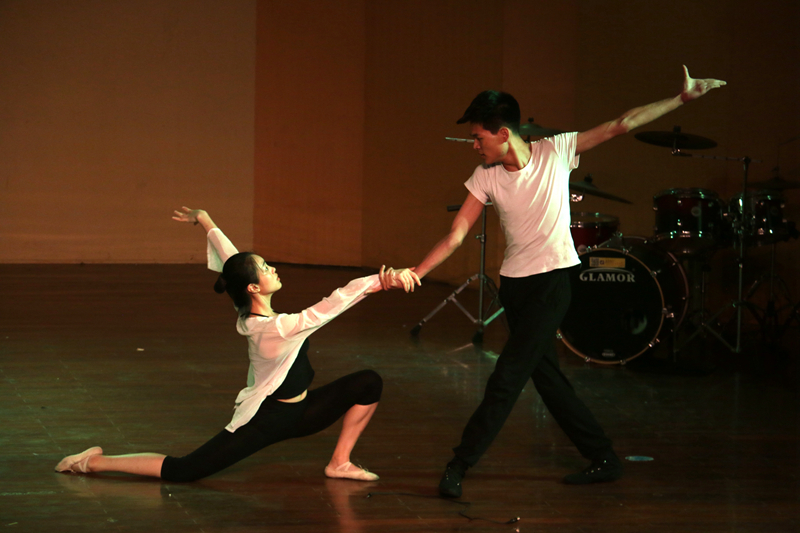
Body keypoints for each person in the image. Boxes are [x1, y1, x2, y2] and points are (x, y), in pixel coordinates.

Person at [383, 66, 726, 497]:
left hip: (552, 284)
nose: (474, 145)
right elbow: (456, 235)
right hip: (515, 287)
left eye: (478, 137)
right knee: (547, 379)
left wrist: (680, 100)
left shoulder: (556, 151)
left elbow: (621, 124)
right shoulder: (486, 176)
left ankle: (459, 464)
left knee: (507, 377)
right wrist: (417, 272)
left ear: (503, 133)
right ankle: (603, 456)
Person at [55, 207, 420, 482]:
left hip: (304, 411)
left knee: (368, 382)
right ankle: (92, 461)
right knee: (184, 471)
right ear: (254, 287)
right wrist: (382, 281)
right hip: (268, 420)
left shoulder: (249, 307)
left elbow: (232, 261)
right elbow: (336, 301)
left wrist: (205, 220)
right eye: (265, 268)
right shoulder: (276, 329)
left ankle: (339, 463)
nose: (272, 268)